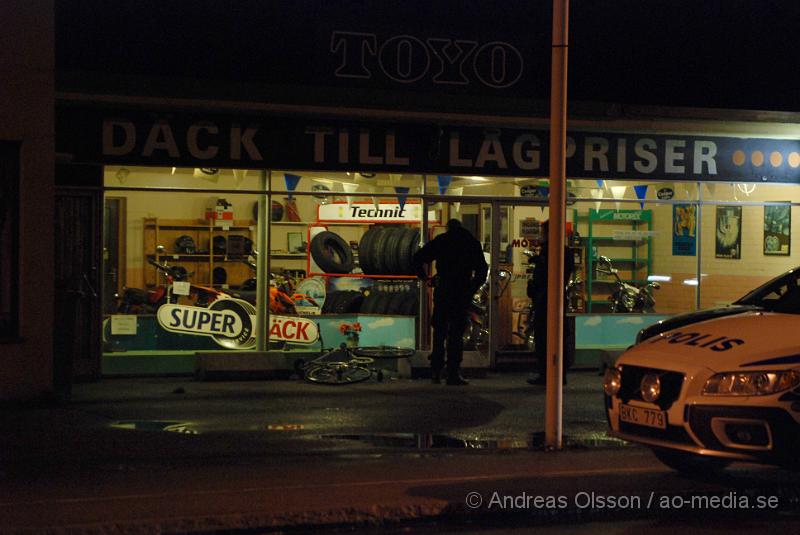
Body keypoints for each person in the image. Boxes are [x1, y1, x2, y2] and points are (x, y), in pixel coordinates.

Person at [413, 219, 488, 386]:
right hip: (461, 291)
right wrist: (471, 288)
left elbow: (417, 258)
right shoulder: (471, 242)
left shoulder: (442, 241)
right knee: (456, 333)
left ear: (448, 228)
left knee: (439, 331)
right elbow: (482, 270)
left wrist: (425, 278)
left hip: (444, 290)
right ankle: (453, 372)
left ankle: (436, 371)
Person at [527, 220, 575, 386]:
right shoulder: (565, 252)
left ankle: (546, 374)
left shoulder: (550, 251)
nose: (541, 234)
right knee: (558, 337)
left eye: (543, 231)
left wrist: (534, 288)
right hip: (556, 298)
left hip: (545, 300)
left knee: (544, 337)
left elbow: (543, 275)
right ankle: (558, 374)